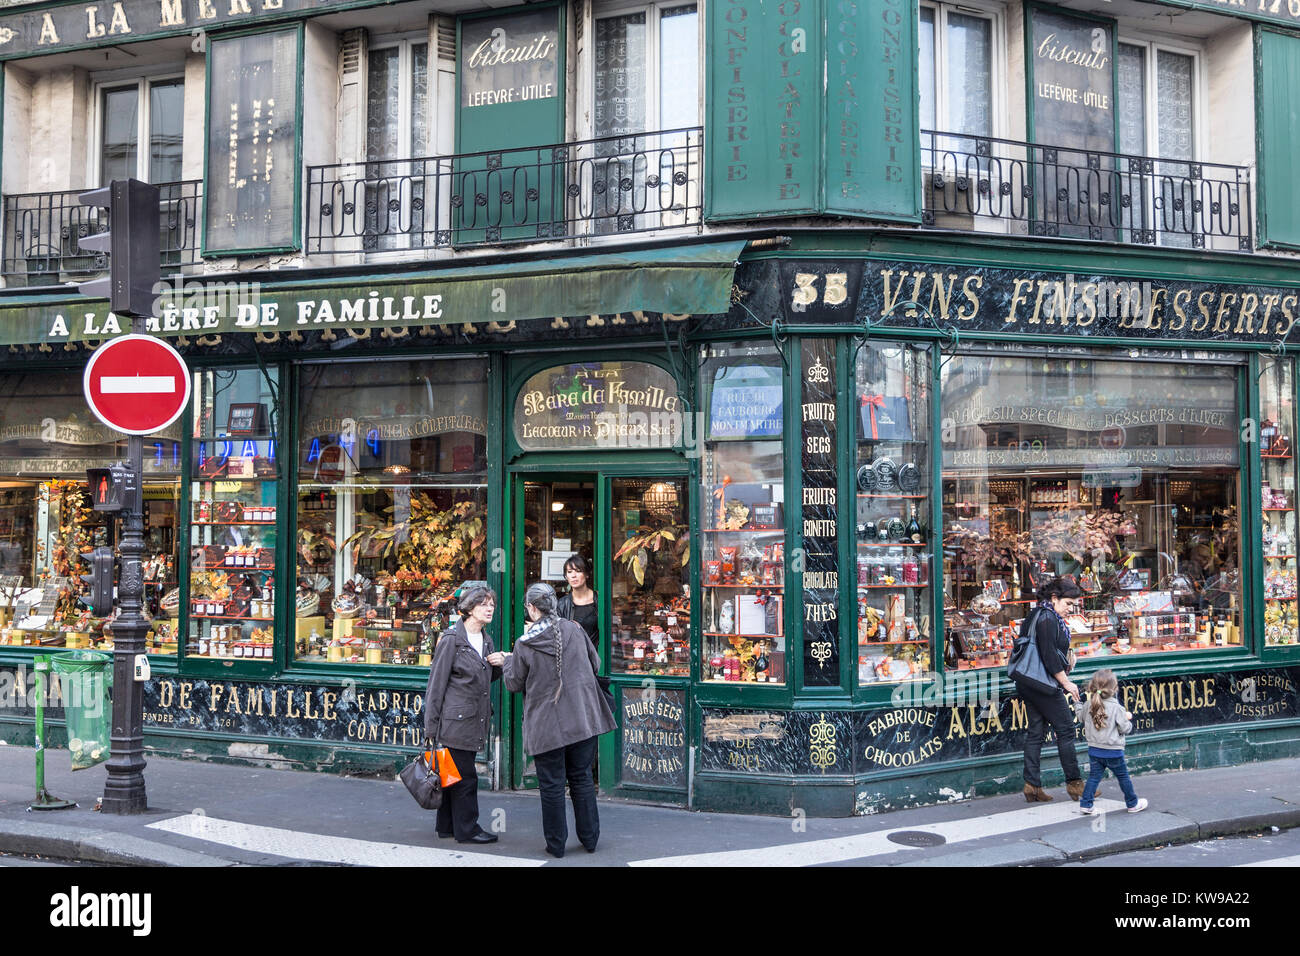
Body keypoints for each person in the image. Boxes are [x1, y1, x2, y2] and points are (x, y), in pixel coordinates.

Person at [503, 582, 616, 858]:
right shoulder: (575, 630)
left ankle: (556, 845)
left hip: (546, 726)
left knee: (552, 786)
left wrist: (507, 660)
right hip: (582, 718)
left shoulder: (524, 644)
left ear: (531, 608)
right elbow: (596, 664)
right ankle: (590, 839)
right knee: (581, 779)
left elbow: (513, 683)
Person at [422, 585, 505, 844]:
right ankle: (467, 829)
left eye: (492, 604)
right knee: (466, 777)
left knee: (451, 774)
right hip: (455, 721)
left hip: (476, 718)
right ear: (469, 609)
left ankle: (446, 825)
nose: (490, 608)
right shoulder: (452, 640)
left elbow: (484, 678)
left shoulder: (486, 639)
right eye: (484, 604)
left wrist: (500, 665)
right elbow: (436, 685)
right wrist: (430, 729)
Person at [1011, 575, 1085, 803]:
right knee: (1065, 730)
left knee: (1036, 732)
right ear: (1055, 598)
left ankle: (1032, 786)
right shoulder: (1048, 619)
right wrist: (1066, 682)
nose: (1069, 610)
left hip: (1027, 682)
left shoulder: (1035, 613)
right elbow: (1049, 656)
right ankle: (1076, 785)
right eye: (1068, 604)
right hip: (1043, 684)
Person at [1074, 668, 1147, 815]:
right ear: (1115, 689)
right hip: (1114, 751)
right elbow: (1125, 728)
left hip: (1094, 750)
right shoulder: (1117, 708)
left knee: (1093, 778)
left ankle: (1086, 804)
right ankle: (1132, 803)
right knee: (1123, 777)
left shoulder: (1089, 704)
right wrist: (1128, 719)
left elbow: (1080, 717)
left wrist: (1077, 704)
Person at [557, 553, 599, 650]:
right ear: (566, 576)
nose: (573, 576)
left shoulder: (598, 600)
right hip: (572, 659)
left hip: (596, 659)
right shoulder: (562, 604)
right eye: (569, 572)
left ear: (587, 574)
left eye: (578, 571)